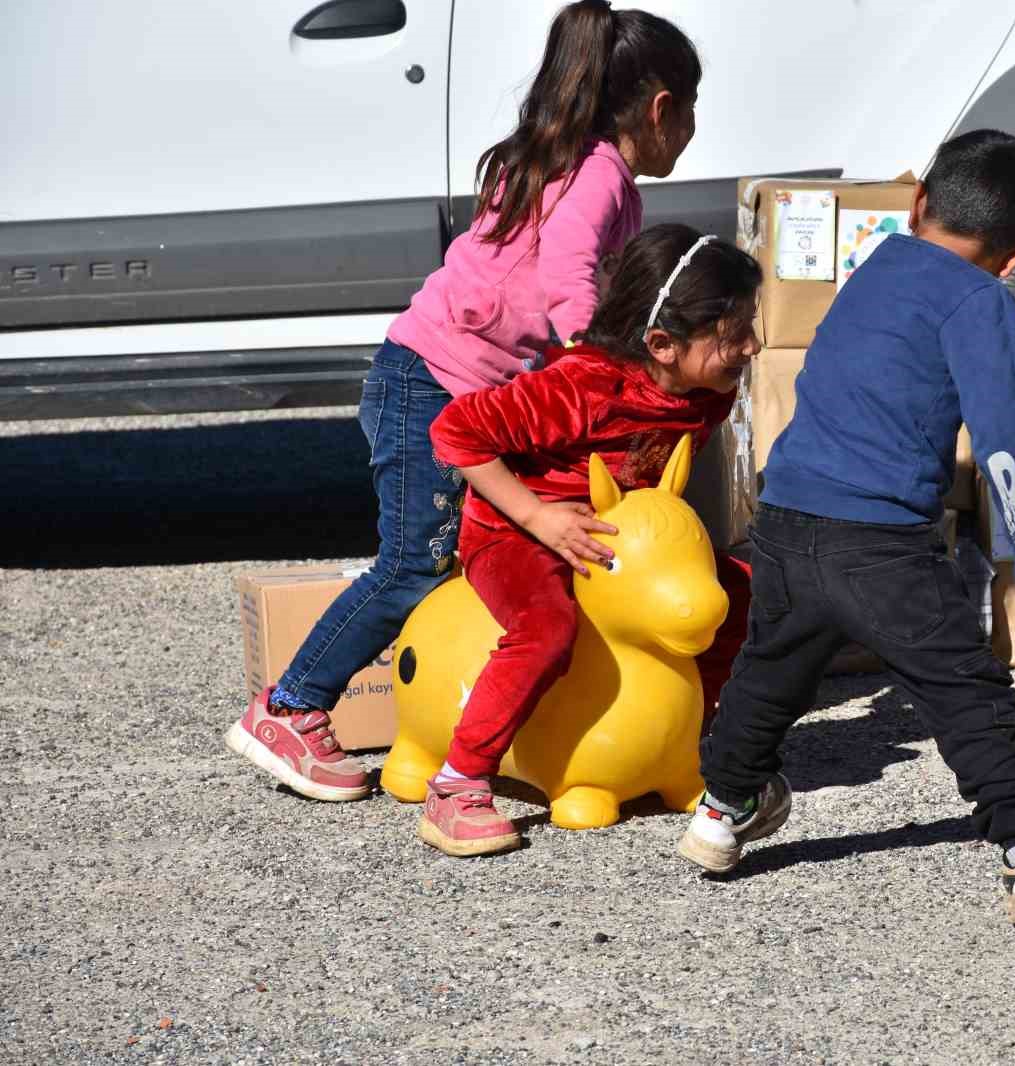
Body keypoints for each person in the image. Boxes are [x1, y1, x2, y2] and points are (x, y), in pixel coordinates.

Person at [225, 0, 701, 802]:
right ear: (661, 109)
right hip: (430, 385)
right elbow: (568, 276)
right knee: (414, 562)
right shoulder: (598, 176)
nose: (690, 133)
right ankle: (290, 706)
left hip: (440, 378)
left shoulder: (560, 159)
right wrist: (598, 364)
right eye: (691, 114)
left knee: (447, 555)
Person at [675, 130, 1015, 928]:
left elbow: (938, 360)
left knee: (769, 678)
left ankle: (720, 812)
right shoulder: (983, 301)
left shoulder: (879, 271)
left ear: (920, 203)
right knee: (968, 696)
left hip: (788, 526)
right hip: (885, 550)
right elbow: (1005, 436)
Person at [417, 225, 763, 855]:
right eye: (734, 334)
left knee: (738, 598)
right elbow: (456, 432)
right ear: (661, 343)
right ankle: (458, 781)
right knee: (545, 627)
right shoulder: (580, 388)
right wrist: (539, 519)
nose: (754, 345)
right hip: (515, 533)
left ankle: (691, 739)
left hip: (613, 545)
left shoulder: (704, 392)